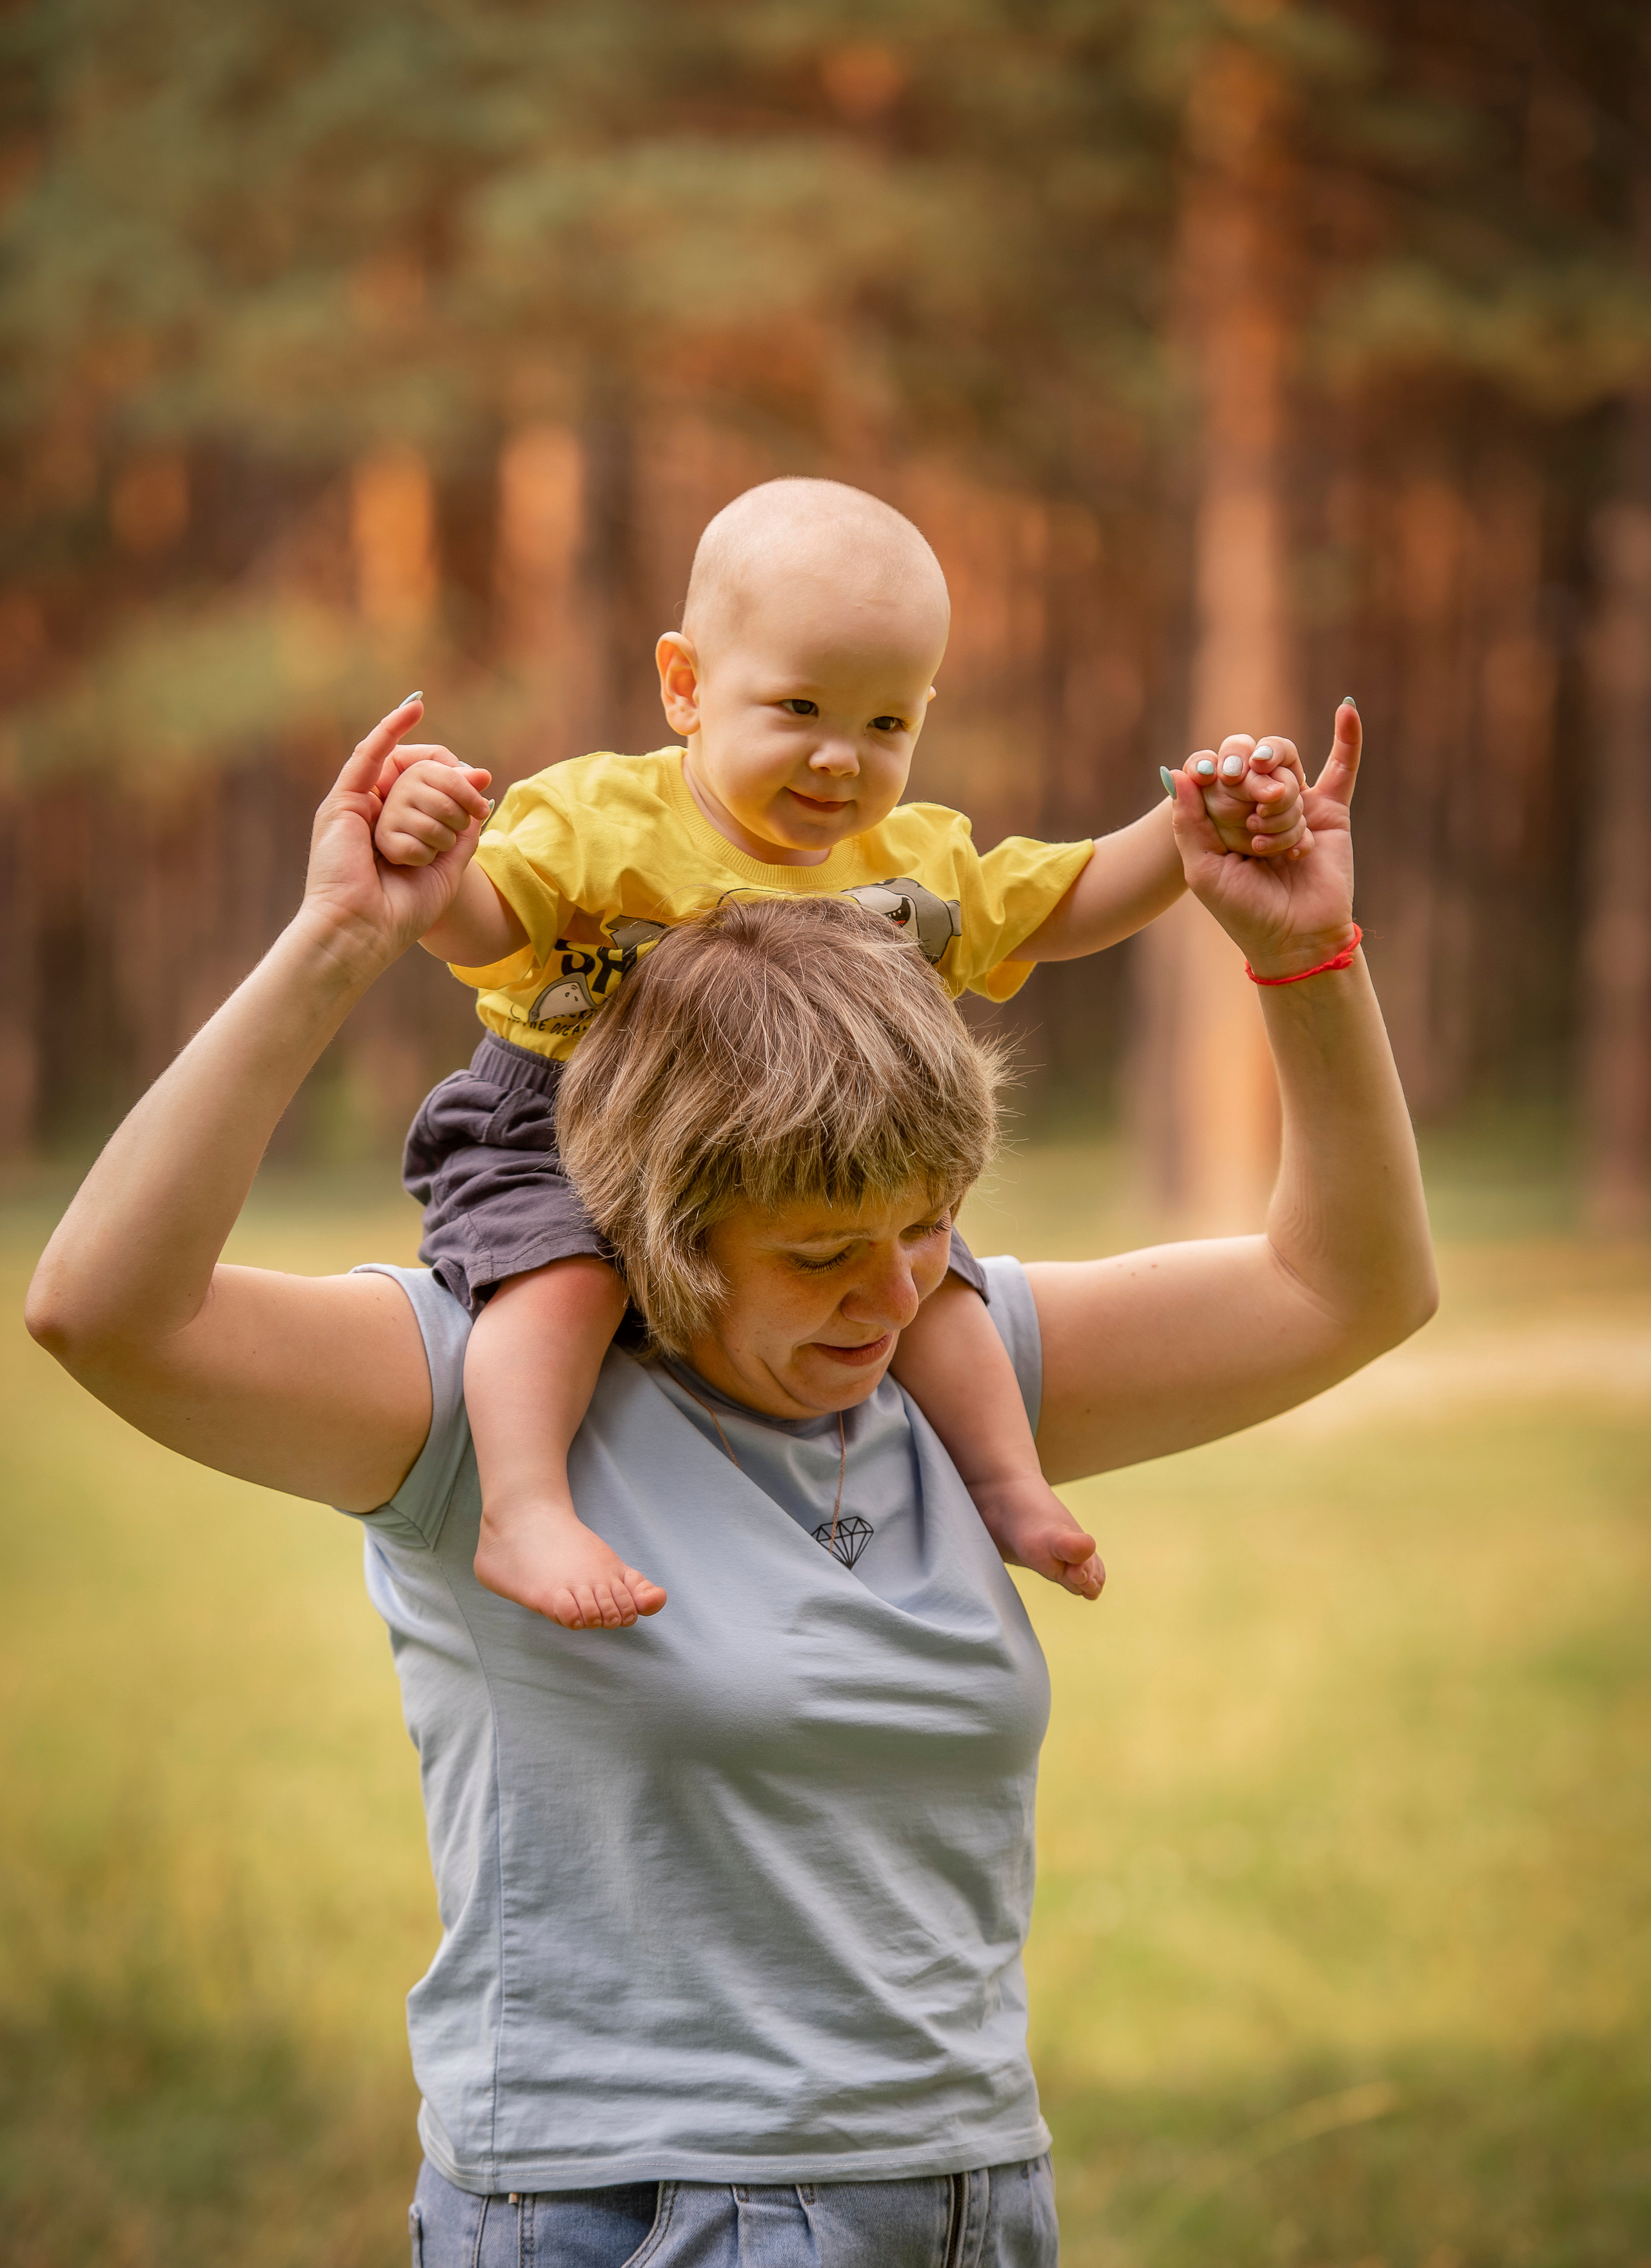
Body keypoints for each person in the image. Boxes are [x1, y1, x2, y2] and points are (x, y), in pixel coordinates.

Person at [25, 694, 1434, 2268]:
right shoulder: (471, 1398)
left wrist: (1303, 957)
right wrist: (337, 946)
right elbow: (104, 1312)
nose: (890, 1295)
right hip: (633, 2256)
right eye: (823, 1253)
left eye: (925, 1230)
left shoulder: (950, 1362)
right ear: (659, 1223)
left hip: (968, 2231)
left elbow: (1346, 1290)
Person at [371, 477, 1314, 1632]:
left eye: (885, 726)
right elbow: (493, 927)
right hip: (560, 1127)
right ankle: (523, 1510)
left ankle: (1005, 1483)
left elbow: (1060, 905)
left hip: (802, 1168)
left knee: (929, 1286)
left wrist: (1187, 832)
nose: (839, 760)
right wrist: (434, 862)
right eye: (801, 708)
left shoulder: (910, 869)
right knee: (559, 1278)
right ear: (686, 685)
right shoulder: (599, 820)